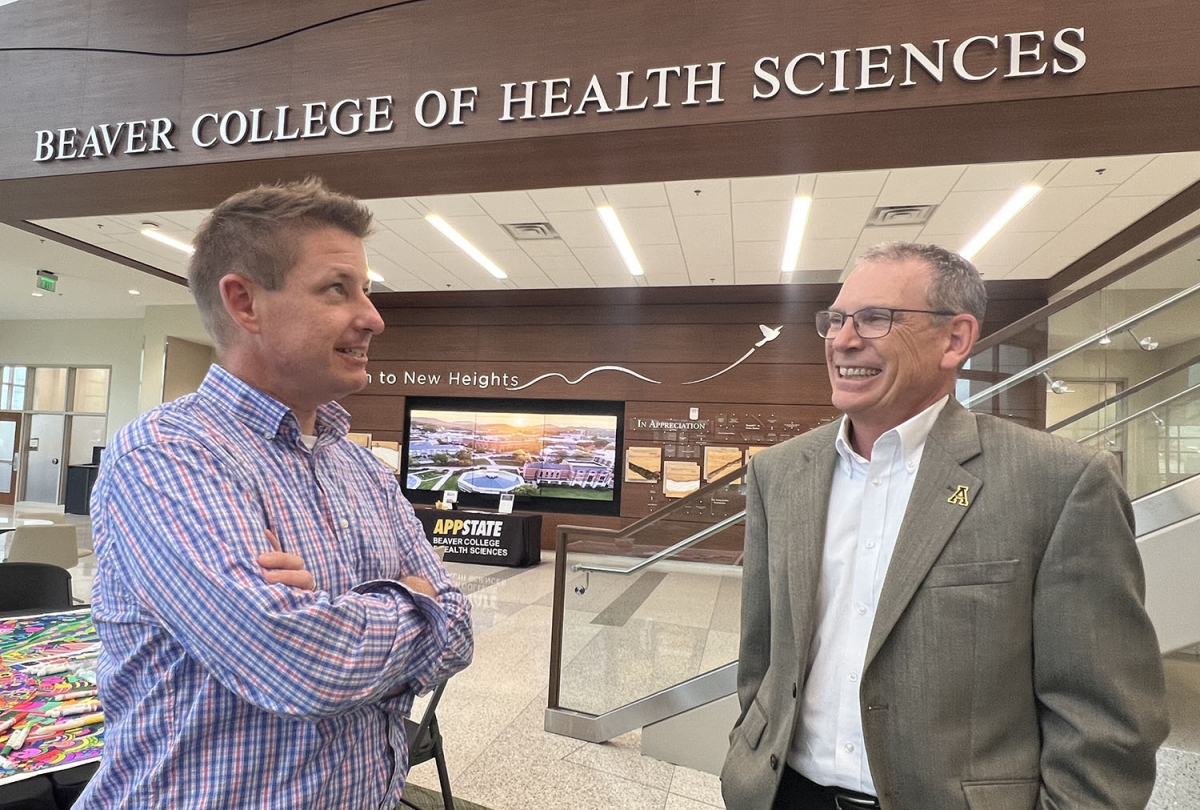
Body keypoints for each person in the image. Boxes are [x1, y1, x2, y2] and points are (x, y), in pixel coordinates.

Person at [721, 242, 1168, 810]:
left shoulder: (1060, 483)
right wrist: (746, 754)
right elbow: (760, 656)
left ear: (955, 339)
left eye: (874, 318)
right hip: (784, 794)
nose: (843, 339)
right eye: (834, 320)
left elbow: (1103, 717)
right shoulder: (779, 473)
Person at [79, 178, 473, 809]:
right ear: (245, 303)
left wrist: (337, 610)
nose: (372, 317)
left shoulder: (363, 472)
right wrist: (410, 599)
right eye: (337, 289)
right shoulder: (168, 456)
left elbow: (460, 629)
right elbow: (295, 661)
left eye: (365, 290)